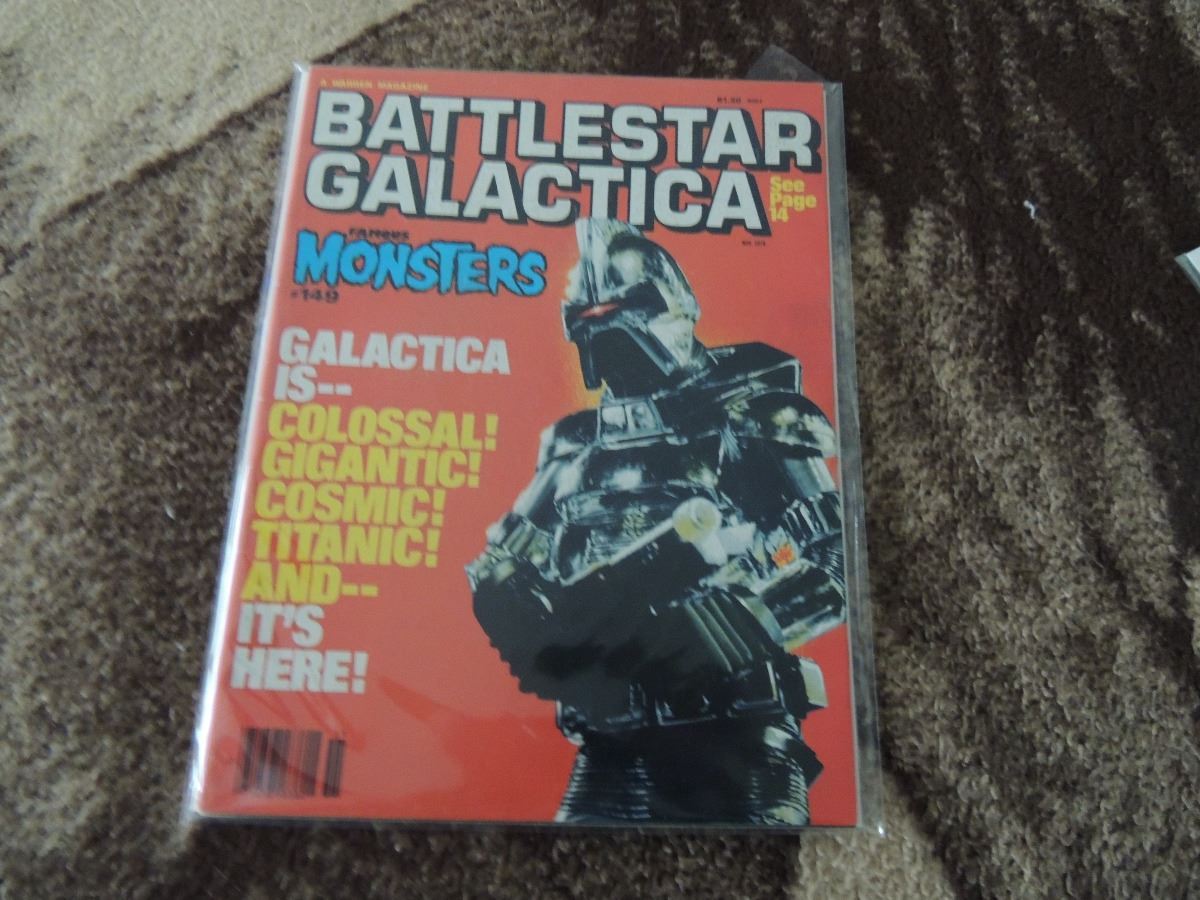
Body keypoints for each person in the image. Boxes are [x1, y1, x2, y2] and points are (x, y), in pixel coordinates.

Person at [467, 219, 845, 825]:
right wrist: (520, 614)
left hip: (738, 734)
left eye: (627, 313)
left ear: (676, 306)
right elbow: (500, 568)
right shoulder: (573, 446)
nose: (611, 335)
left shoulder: (754, 411)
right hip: (611, 738)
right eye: (592, 322)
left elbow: (836, 557)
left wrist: (729, 626)